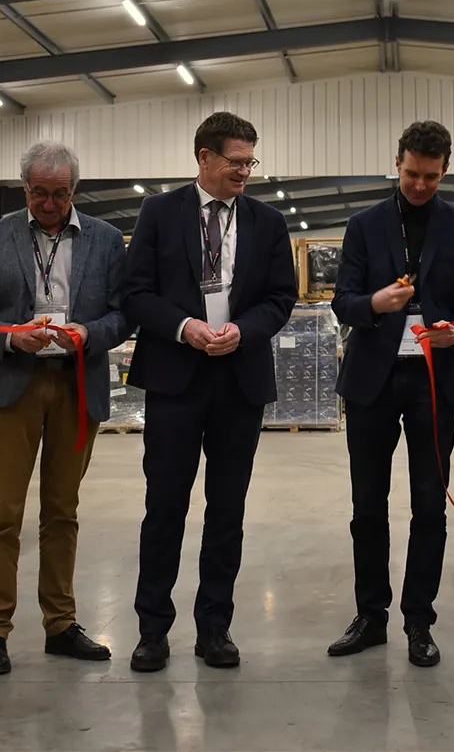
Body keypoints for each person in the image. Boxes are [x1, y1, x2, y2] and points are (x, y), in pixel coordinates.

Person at [125, 111, 296, 672]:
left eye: (251, 162)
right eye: (236, 162)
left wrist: (243, 331)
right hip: (176, 377)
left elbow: (280, 298)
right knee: (164, 507)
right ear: (204, 158)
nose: (246, 172)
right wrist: (184, 327)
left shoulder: (268, 223)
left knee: (227, 510)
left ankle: (214, 627)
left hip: (238, 380)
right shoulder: (159, 212)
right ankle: (152, 630)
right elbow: (137, 293)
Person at [0, 141, 131, 676]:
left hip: (77, 387)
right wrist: (10, 337)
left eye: (60, 194)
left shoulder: (104, 240)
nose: (49, 204)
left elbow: (126, 314)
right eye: (39, 193)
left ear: (74, 190)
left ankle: (61, 623)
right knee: (4, 514)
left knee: (62, 512)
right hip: (15, 386)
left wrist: (89, 332)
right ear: (23, 187)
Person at [326, 120, 454, 668]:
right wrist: (376, 304)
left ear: (446, 170)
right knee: (367, 505)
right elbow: (342, 302)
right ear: (398, 163)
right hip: (372, 378)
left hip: (434, 381)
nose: (420, 185)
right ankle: (371, 616)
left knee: (428, 506)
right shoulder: (364, 225)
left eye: (432, 178)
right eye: (413, 174)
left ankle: (419, 619)